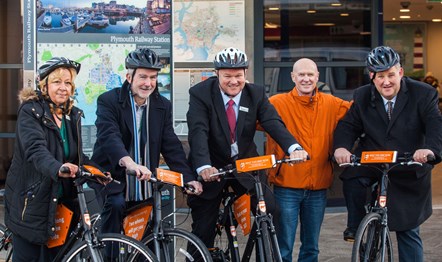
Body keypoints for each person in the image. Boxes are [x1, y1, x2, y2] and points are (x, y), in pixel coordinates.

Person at [186, 47, 308, 251]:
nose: (233, 81)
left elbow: (272, 122)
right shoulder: (200, 93)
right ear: (217, 74)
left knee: (270, 211)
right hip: (212, 167)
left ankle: (264, 253)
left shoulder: (256, 93)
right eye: (227, 76)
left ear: (245, 74)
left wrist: (294, 147)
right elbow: (198, 131)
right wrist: (204, 166)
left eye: (238, 76)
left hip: (245, 166)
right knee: (203, 226)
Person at [333, 46, 442, 262]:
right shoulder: (363, 95)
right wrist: (341, 148)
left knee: (408, 230)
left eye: (391, 75)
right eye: (380, 76)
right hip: (373, 160)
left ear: (400, 72)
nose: (386, 82)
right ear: (372, 76)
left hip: (408, 164)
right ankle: (357, 227)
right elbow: (348, 125)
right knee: (352, 180)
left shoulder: (424, 94)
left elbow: (435, 125)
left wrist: (429, 149)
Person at [91, 48, 202, 236]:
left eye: (153, 77)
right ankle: (110, 252)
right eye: (143, 77)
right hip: (112, 176)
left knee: (147, 225)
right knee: (116, 206)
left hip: (144, 182)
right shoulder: (109, 101)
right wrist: (129, 163)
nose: (148, 83)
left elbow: (171, 145)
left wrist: (188, 178)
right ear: (129, 77)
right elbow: (109, 137)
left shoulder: (161, 106)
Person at [266, 58, 351, 262]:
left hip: (318, 187)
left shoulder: (332, 104)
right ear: (293, 77)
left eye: (310, 74)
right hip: (286, 186)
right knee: (283, 247)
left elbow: (358, 114)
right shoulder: (276, 103)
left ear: (317, 77)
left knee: (311, 247)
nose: (306, 79)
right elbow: (249, 122)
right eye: (301, 74)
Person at [4, 57, 90, 261]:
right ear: (44, 85)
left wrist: (99, 171)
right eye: (57, 82)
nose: (63, 88)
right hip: (31, 203)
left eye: (68, 83)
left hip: (61, 205)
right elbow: (36, 151)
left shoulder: (71, 115)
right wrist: (58, 168)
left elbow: (76, 156)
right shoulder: (30, 112)